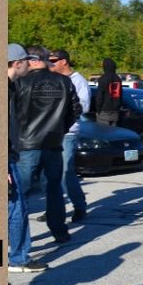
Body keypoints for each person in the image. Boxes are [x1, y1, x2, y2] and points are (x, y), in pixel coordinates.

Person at [8, 44, 81, 274]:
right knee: (54, 190)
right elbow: (75, 111)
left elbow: (12, 114)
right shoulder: (64, 82)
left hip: (26, 144)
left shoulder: (20, 82)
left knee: (19, 197)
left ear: (32, 60)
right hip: (52, 142)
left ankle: (14, 243)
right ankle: (59, 231)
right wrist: (59, 130)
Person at [46, 49, 92, 223]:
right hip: (50, 132)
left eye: (53, 61)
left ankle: (79, 206)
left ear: (64, 61)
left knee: (66, 172)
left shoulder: (78, 81)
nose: (50, 64)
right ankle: (53, 209)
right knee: (48, 174)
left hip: (67, 132)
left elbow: (84, 106)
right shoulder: (51, 79)